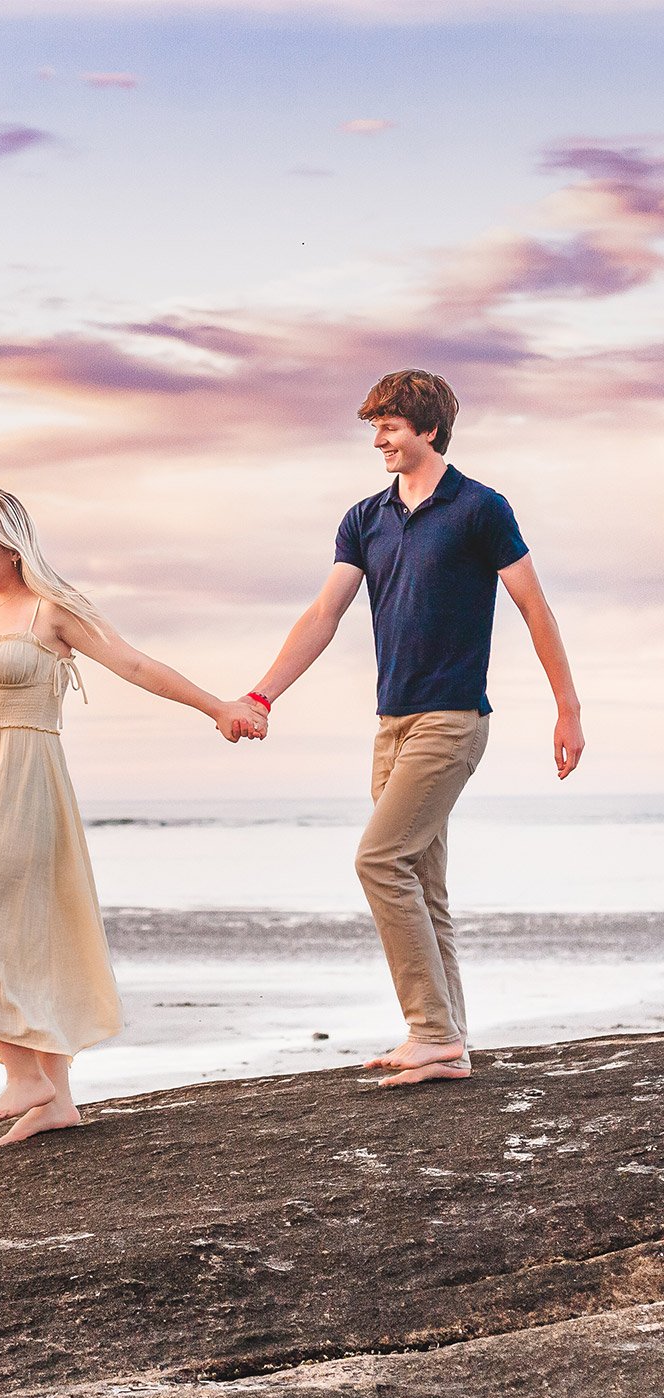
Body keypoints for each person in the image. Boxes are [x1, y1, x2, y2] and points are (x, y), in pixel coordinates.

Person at [238, 370, 583, 1087]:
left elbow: (535, 608)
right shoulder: (365, 518)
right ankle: (449, 1039)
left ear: (428, 428)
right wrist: (263, 694)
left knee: (379, 861)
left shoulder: (481, 509)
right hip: (390, 724)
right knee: (421, 882)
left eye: (389, 425)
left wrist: (568, 709)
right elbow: (324, 616)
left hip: (452, 719)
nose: (379, 438)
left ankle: (429, 1033)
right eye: (374, 425)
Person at [0, 488, 266, 1147]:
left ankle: (23, 1076)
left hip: (25, 782)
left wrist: (217, 706)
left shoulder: (53, 612)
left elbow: (132, 664)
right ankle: (56, 1099)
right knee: (29, 938)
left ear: (14, 548)